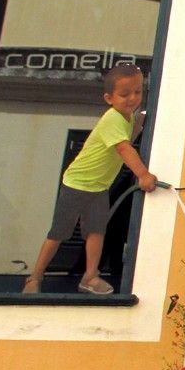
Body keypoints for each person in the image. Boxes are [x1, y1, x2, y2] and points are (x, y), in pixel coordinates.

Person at [22, 64, 156, 294]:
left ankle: (90, 275)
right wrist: (143, 174)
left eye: (138, 92)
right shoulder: (113, 118)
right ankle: (34, 278)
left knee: (96, 231)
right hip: (77, 183)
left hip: (98, 187)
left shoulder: (127, 119)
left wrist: (142, 120)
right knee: (60, 233)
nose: (132, 98)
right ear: (109, 98)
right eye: (124, 94)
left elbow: (131, 135)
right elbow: (125, 149)